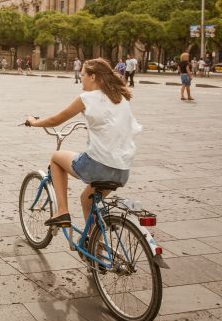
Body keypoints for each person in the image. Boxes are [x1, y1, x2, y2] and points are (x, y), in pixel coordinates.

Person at [23, 58, 140, 227]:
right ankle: (95, 244)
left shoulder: (87, 98)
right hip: (122, 170)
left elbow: (57, 119)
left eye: (83, 74)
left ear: (93, 77)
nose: (81, 77)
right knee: (87, 200)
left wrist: (34, 122)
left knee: (56, 158)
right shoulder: (120, 97)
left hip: (98, 165)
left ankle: (62, 211)